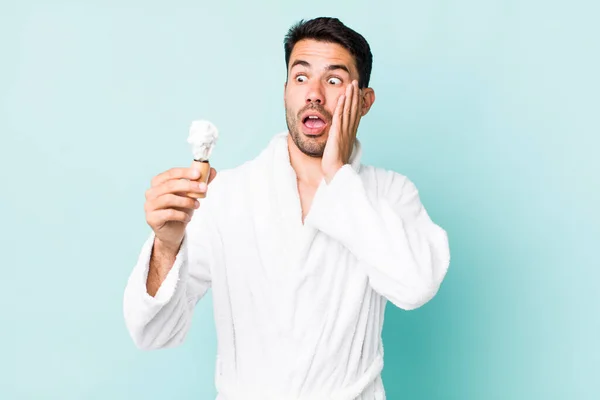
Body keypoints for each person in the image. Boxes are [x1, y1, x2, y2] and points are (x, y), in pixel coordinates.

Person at [123, 16, 450, 400]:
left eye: (333, 80)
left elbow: (416, 285)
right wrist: (166, 246)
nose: (314, 94)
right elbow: (153, 332)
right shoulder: (226, 194)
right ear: (285, 92)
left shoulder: (390, 194)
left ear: (364, 102)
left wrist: (338, 175)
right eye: (300, 78)